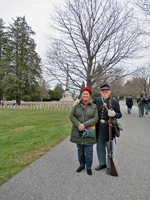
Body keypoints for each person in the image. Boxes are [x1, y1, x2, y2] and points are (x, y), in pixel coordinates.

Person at [93, 84, 122, 175]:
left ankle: (110, 166)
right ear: (101, 92)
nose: (104, 93)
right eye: (103, 92)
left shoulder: (114, 102)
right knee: (100, 147)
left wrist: (114, 114)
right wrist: (80, 102)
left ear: (109, 92)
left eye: (106, 92)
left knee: (109, 148)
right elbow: (88, 104)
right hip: (99, 127)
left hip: (108, 127)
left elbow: (119, 114)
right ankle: (102, 164)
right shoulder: (97, 100)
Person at [70, 87, 98, 176]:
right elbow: (72, 116)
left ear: (89, 95)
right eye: (84, 93)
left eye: (87, 94)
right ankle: (81, 165)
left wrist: (84, 125)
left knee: (89, 151)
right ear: (81, 95)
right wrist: (79, 124)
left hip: (89, 131)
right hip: (78, 132)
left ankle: (88, 167)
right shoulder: (77, 105)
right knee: (80, 150)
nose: (85, 95)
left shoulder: (93, 106)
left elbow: (95, 118)